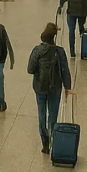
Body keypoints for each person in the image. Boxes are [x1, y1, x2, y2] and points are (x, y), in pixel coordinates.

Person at [27, 23, 74, 155]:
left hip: (40, 88)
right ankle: (53, 141)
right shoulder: (59, 51)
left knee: (41, 115)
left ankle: (45, 144)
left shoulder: (37, 50)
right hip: (55, 88)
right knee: (52, 116)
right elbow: (65, 70)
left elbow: (30, 69)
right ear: (54, 36)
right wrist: (68, 87)